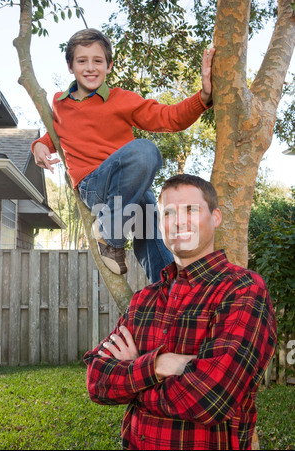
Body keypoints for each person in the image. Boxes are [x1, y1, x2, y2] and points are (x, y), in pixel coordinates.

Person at [83, 173, 277, 451]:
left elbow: (210, 399)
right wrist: (161, 365)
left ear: (216, 217)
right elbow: (96, 380)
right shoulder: (143, 301)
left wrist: (135, 376)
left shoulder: (243, 290)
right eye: (169, 213)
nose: (178, 221)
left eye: (191, 210)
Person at [32, 28, 215, 283]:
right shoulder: (60, 103)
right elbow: (57, 134)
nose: (90, 67)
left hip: (130, 188)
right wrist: (40, 145)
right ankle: (110, 233)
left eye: (98, 61)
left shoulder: (122, 100)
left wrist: (203, 97)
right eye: (82, 61)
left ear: (109, 66)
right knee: (145, 151)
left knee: (152, 230)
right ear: (70, 66)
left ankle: (169, 294)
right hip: (94, 187)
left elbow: (169, 117)